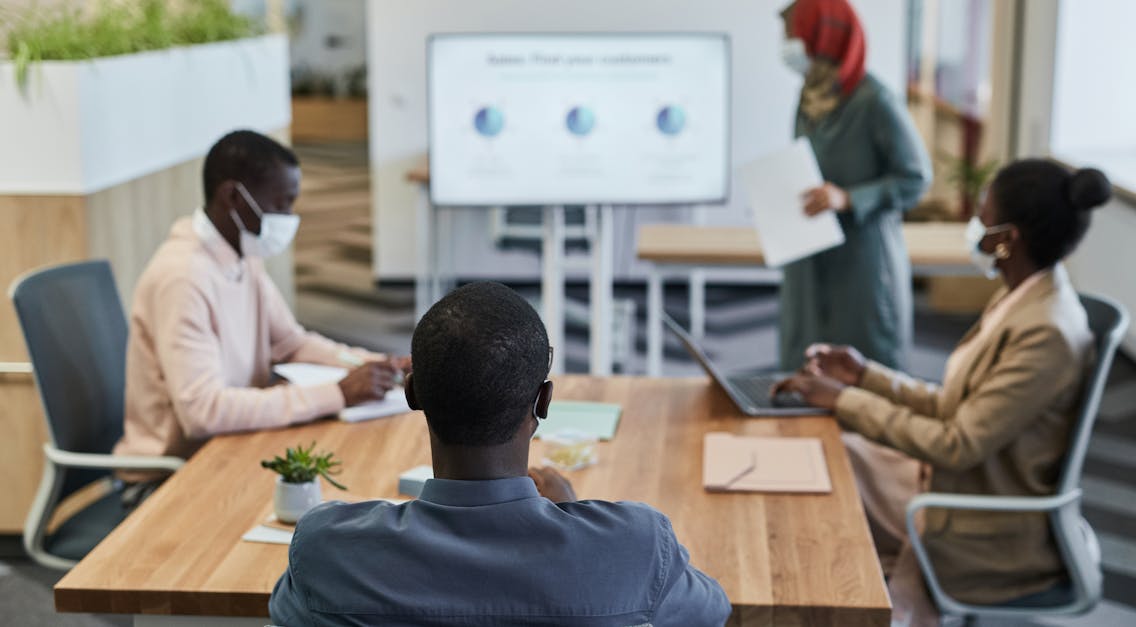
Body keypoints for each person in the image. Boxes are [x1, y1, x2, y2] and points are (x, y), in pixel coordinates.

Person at [270, 281, 731, 627]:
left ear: (412, 394)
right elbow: (714, 611)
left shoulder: (328, 550)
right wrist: (570, 514)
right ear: (544, 402)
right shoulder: (636, 546)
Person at [772, 160, 1112, 626]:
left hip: (980, 526)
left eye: (982, 216)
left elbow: (957, 444)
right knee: (832, 456)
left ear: (1007, 239)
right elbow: (952, 404)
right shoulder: (1023, 296)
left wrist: (843, 401)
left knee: (827, 489)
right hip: (952, 484)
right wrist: (863, 375)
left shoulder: (1045, 332)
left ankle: (817, 600)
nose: (973, 226)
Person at [113, 130, 407, 498]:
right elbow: (203, 412)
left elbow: (291, 343)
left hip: (229, 449)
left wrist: (380, 364)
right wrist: (336, 394)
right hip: (170, 478)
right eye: (282, 204)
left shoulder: (240, 254)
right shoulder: (183, 278)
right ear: (234, 197)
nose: (289, 217)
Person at [777, 0, 932, 371]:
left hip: (861, 261)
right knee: (806, 369)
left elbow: (916, 178)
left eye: (793, 38)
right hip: (811, 254)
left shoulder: (875, 101)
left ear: (823, 38)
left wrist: (849, 198)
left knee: (862, 374)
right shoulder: (809, 95)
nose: (786, 49)